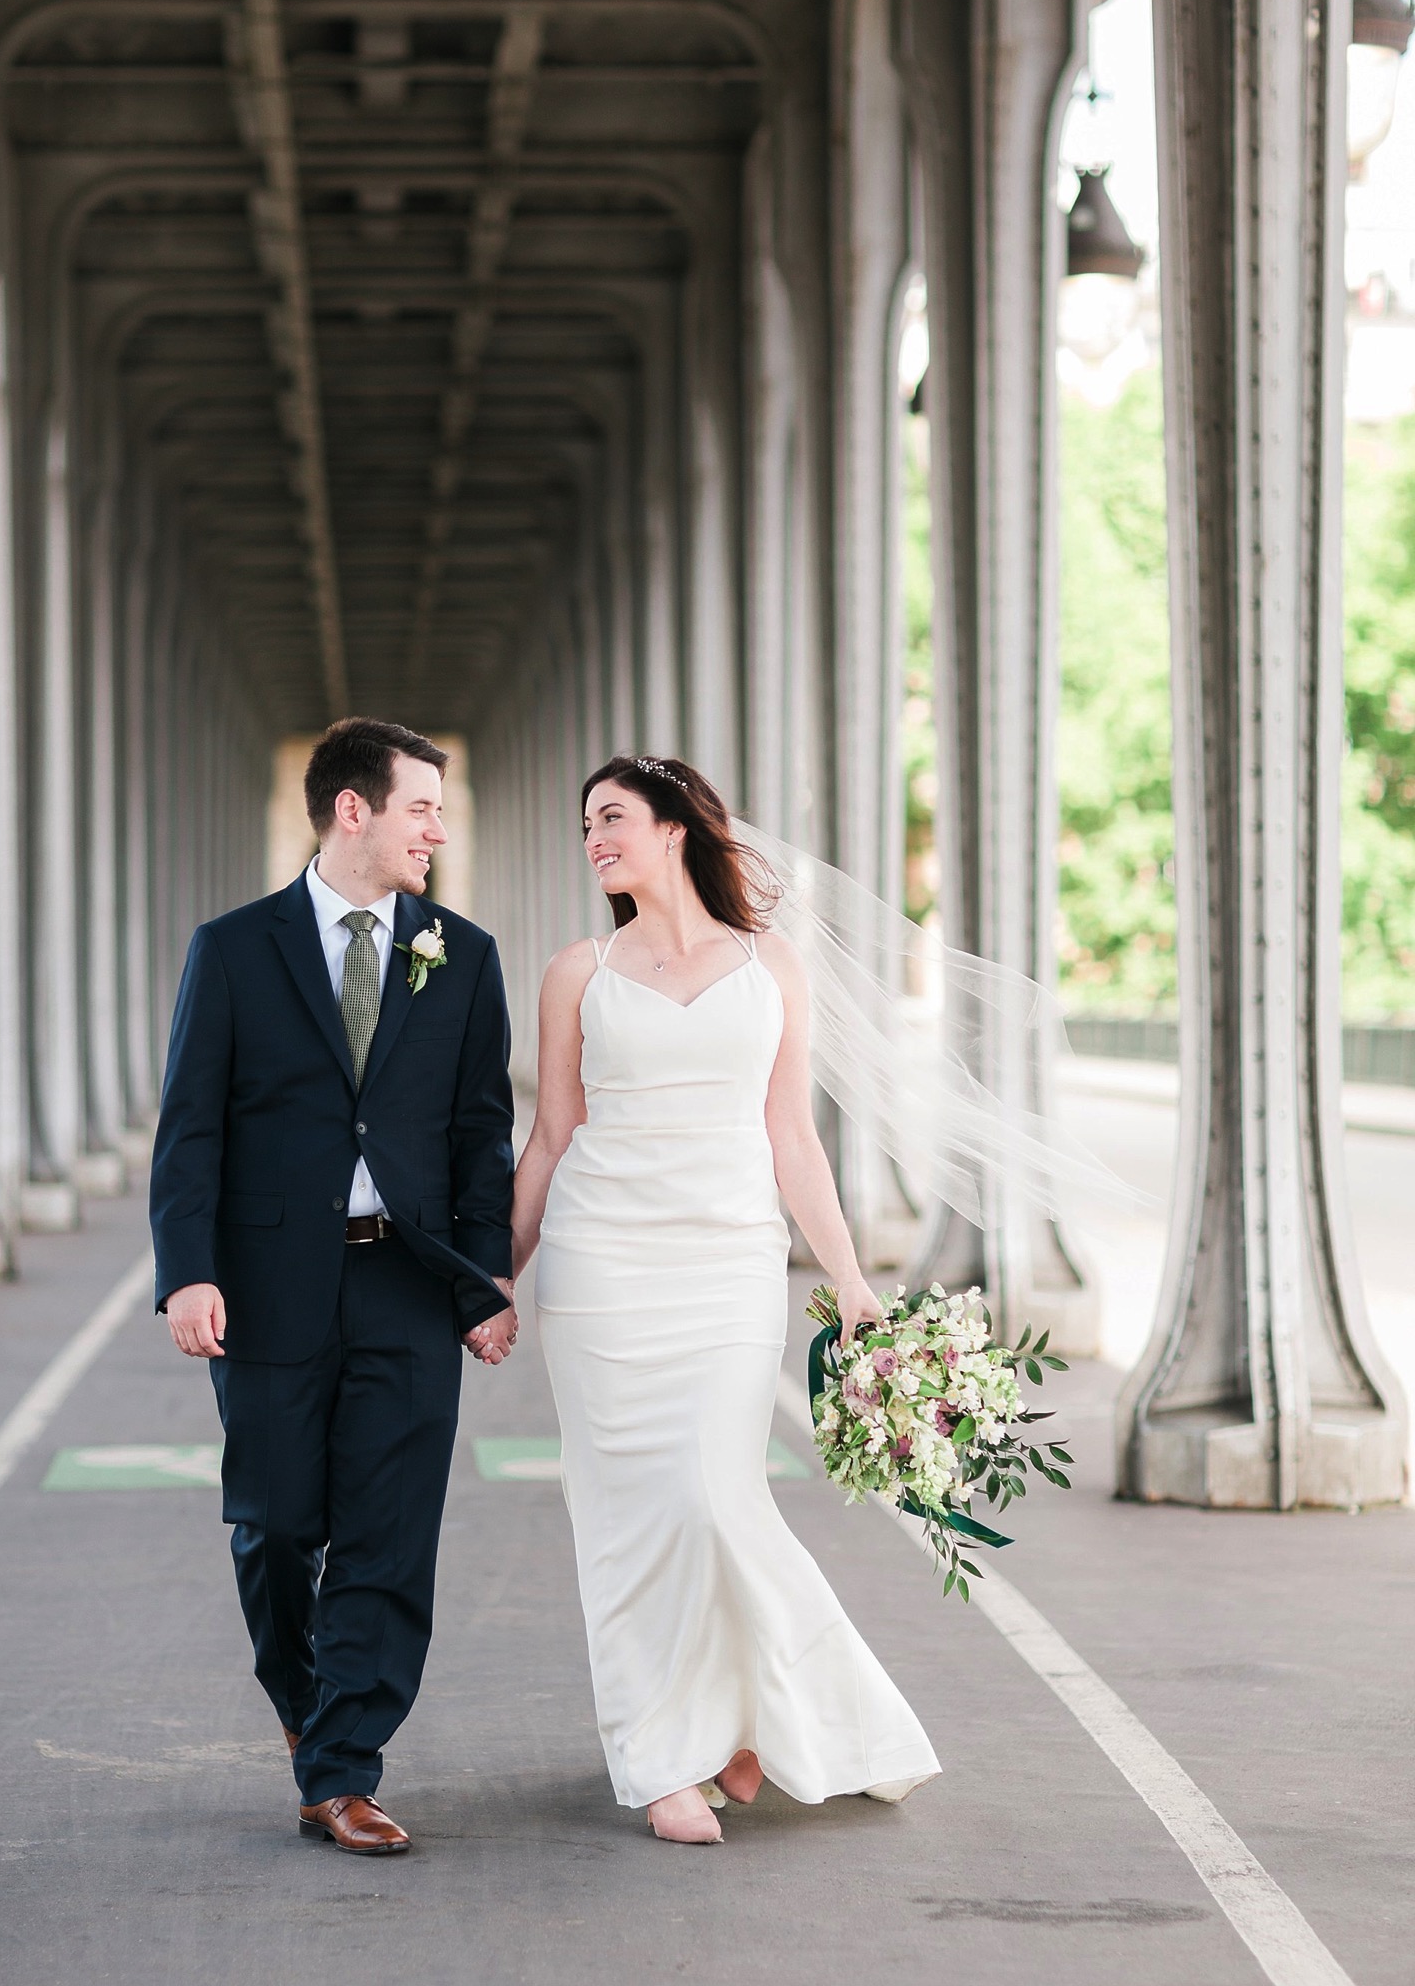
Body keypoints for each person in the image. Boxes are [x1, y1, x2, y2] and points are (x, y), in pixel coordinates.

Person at [511, 756, 940, 1844]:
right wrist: (492, 1277)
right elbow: (552, 1137)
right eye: (585, 824)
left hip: (729, 1268)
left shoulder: (771, 965)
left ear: (674, 830)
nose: (593, 837)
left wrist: (847, 1277)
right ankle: (664, 1756)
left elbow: (791, 1135)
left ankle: (747, 1722)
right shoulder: (577, 971)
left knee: (713, 1497)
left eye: (611, 817)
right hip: (601, 1270)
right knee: (625, 1523)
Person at [150, 718, 518, 1855]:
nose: (436, 832)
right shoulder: (234, 948)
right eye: (420, 809)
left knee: (388, 1534)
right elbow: (190, 1128)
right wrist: (188, 1274)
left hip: (408, 1283)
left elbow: (478, 1133)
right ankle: (314, 1724)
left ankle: (345, 1767)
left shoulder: (461, 952)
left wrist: (484, 1275)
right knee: (272, 1526)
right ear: (352, 811)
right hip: (266, 1286)